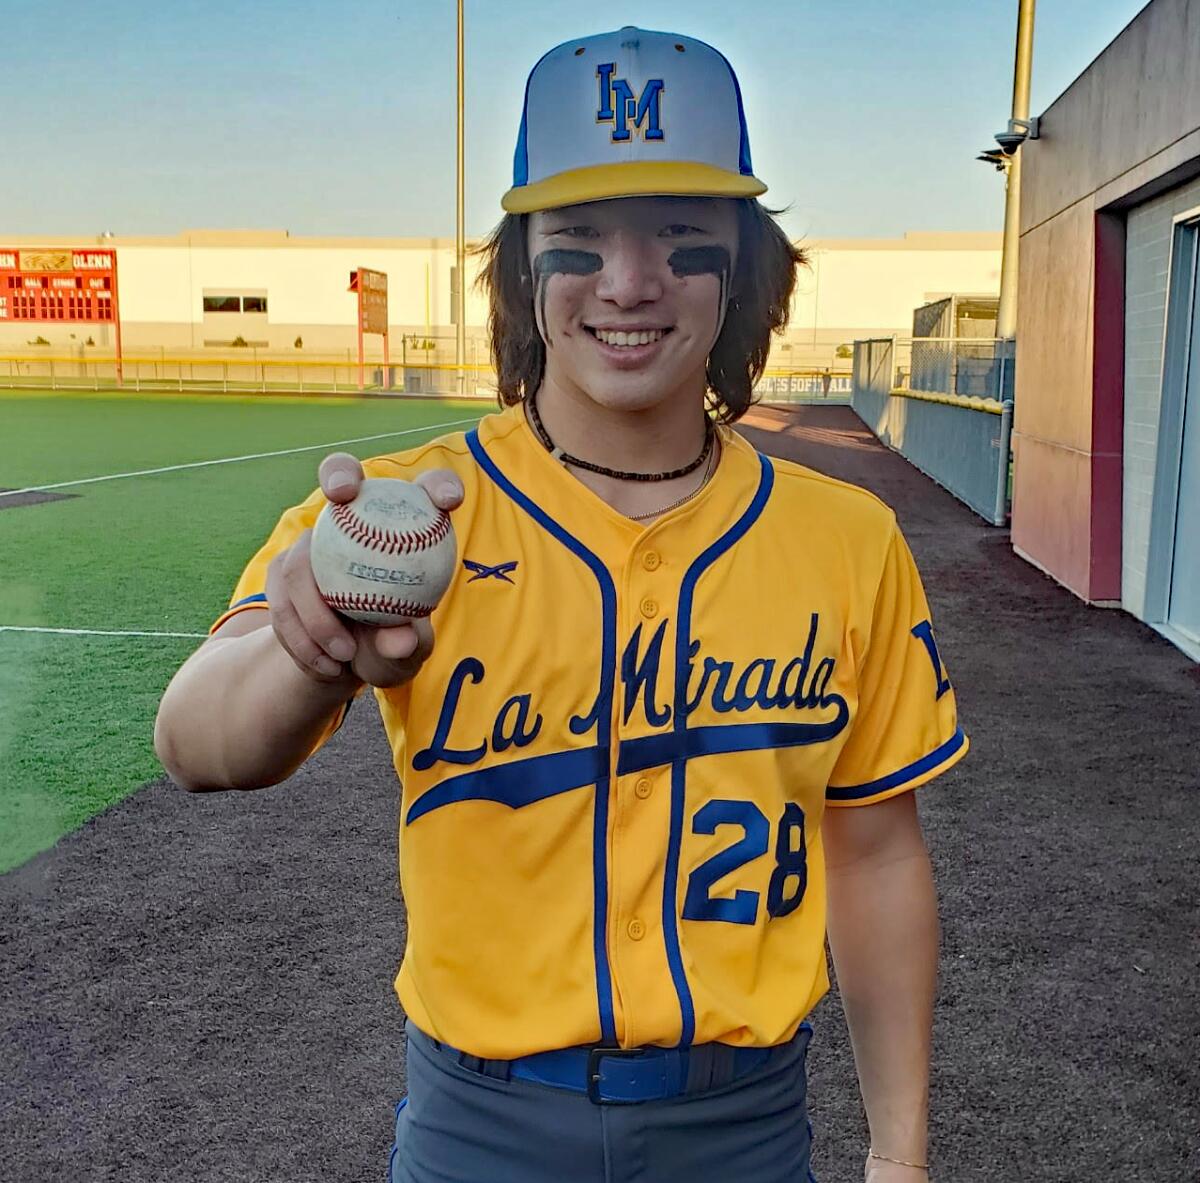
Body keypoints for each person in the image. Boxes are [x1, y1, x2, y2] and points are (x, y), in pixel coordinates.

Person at [154, 25, 966, 1183]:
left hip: (741, 1126)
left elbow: (877, 851)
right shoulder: (411, 515)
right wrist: (306, 650)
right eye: (579, 241)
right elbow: (193, 742)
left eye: (682, 240)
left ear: (743, 270)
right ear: (521, 268)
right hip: (480, 1124)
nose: (628, 283)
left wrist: (901, 1156)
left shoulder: (849, 540)